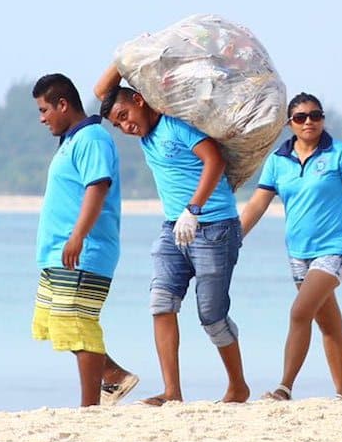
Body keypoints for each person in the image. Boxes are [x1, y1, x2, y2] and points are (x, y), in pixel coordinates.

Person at [96, 64, 249, 405]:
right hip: (172, 230)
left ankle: (238, 386)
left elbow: (214, 162)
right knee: (160, 304)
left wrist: (193, 210)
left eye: (125, 115)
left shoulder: (175, 124)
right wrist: (125, 58)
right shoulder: (146, 133)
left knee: (212, 316)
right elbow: (101, 92)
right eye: (118, 125)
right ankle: (172, 392)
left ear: (140, 99)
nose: (125, 126)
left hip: (215, 227)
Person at [237, 92, 342, 401]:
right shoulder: (278, 161)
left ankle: (284, 387)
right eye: (300, 117)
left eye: (315, 115)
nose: (309, 121)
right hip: (298, 253)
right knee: (328, 321)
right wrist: (234, 239)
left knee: (300, 312)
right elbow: (257, 204)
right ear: (290, 124)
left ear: (323, 119)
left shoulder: (340, 154)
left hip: (335, 248)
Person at [31, 73, 137, 407]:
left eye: (45, 109)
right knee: (55, 322)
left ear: (63, 104)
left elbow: (97, 187)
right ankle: (114, 376)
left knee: (77, 322)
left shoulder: (92, 138)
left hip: (84, 249)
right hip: (59, 251)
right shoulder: (72, 140)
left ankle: (90, 405)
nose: (42, 118)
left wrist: (78, 236)